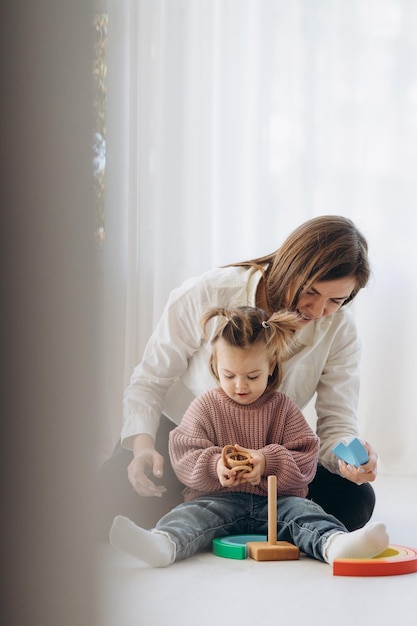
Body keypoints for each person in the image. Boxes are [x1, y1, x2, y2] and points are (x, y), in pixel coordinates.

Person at [98, 215, 377, 536]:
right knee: (104, 505)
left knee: (355, 501)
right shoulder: (209, 292)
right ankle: (230, 507)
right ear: (288, 266)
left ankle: (215, 510)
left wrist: (352, 458)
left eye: (336, 301)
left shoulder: (340, 330)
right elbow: (149, 381)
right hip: (186, 444)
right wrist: (143, 448)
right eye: (310, 292)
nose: (316, 311)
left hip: (265, 460)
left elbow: (336, 424)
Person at [109, 307, 388, 567]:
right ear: (215, 366)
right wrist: (216, 465)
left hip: (279, 501)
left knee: (308, 513)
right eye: (229, 375)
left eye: (252, 376)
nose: (240, 386)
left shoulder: (282, 409)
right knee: (190, 515)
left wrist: (266, 462)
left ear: (271, 367)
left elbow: (305, 459)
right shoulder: (205, 406)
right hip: (218, 499)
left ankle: (334, 544)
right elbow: (185, 453)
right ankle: (163, 544)